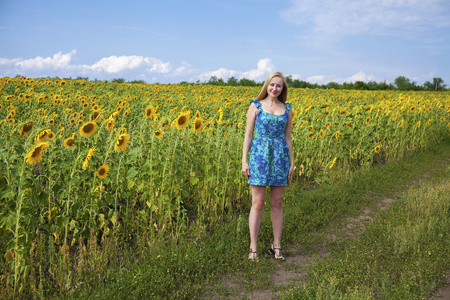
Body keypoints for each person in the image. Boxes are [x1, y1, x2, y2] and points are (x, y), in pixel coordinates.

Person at [242, 72, 294, 261]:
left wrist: (291, 162)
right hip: (259, 157)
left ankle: (277, 245)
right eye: (272, 85)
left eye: (278, 86)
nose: (274, 88)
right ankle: (253, 247)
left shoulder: (287, 109)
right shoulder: (255, 106)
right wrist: (244, 160)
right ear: (267, 85)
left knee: (277, 203)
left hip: (280, 157)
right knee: (258, 203)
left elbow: (288, 137)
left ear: (283, 89)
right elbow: (248, 135)